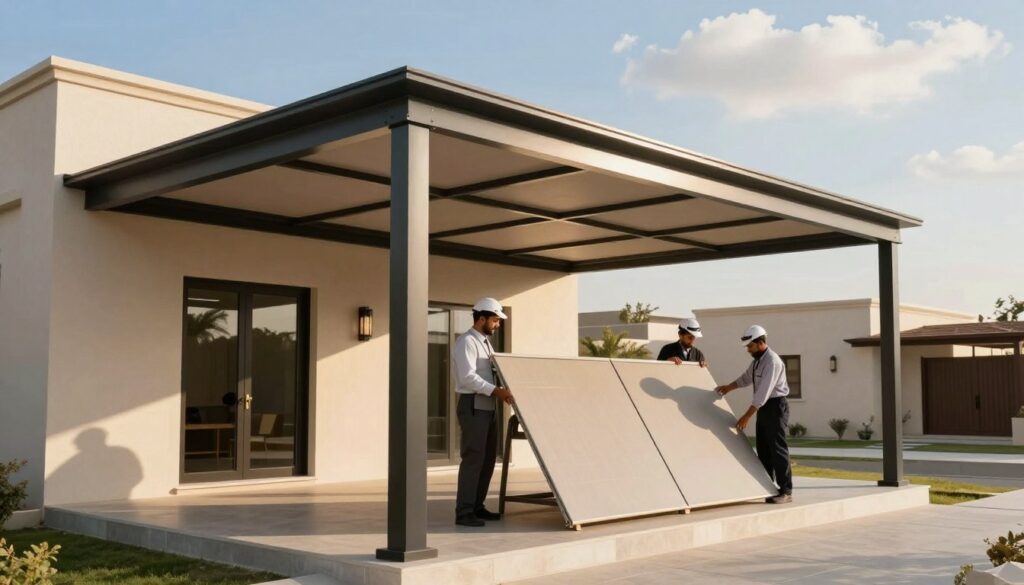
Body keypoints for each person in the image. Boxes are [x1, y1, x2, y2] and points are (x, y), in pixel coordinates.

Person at [452, 297, 514, 527]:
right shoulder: (466, 342)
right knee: (473, 459)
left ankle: (477, 506)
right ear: (481, 319)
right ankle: (464, 512)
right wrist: (497, 391)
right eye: (495, 320)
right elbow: (467, 377)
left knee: (487, 459)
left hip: (488, 406)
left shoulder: (486, 343)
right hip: (472, 405)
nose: (498, 324)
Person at [714, 325, 793, 504]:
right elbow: (746, 378)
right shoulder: (758, 360)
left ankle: (786, 491)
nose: (748, 350)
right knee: (763, 449)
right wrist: (729, 387)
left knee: (777, 449)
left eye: (750, 346)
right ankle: (767, 487)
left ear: (760, 342)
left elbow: (762, 394)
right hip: (763, 408)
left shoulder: (772, 362)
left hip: (776, 407)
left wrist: (747, 416)